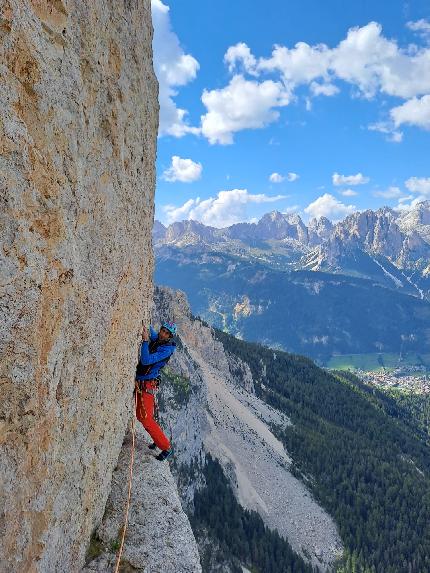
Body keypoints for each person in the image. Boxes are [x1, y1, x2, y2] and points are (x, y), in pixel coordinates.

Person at [135, 321, 177, 461]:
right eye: (163, 330)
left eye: (166, 333)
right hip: (144, 382)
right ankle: (156, 438)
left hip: (147, 384)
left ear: (170, 336)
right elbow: (151, 330)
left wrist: (145, 341)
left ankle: (166, 447)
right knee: (144, 416)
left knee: (145, 418)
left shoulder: (166, 349)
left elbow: (146, 361)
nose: (163, 334)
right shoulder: (158, 339)